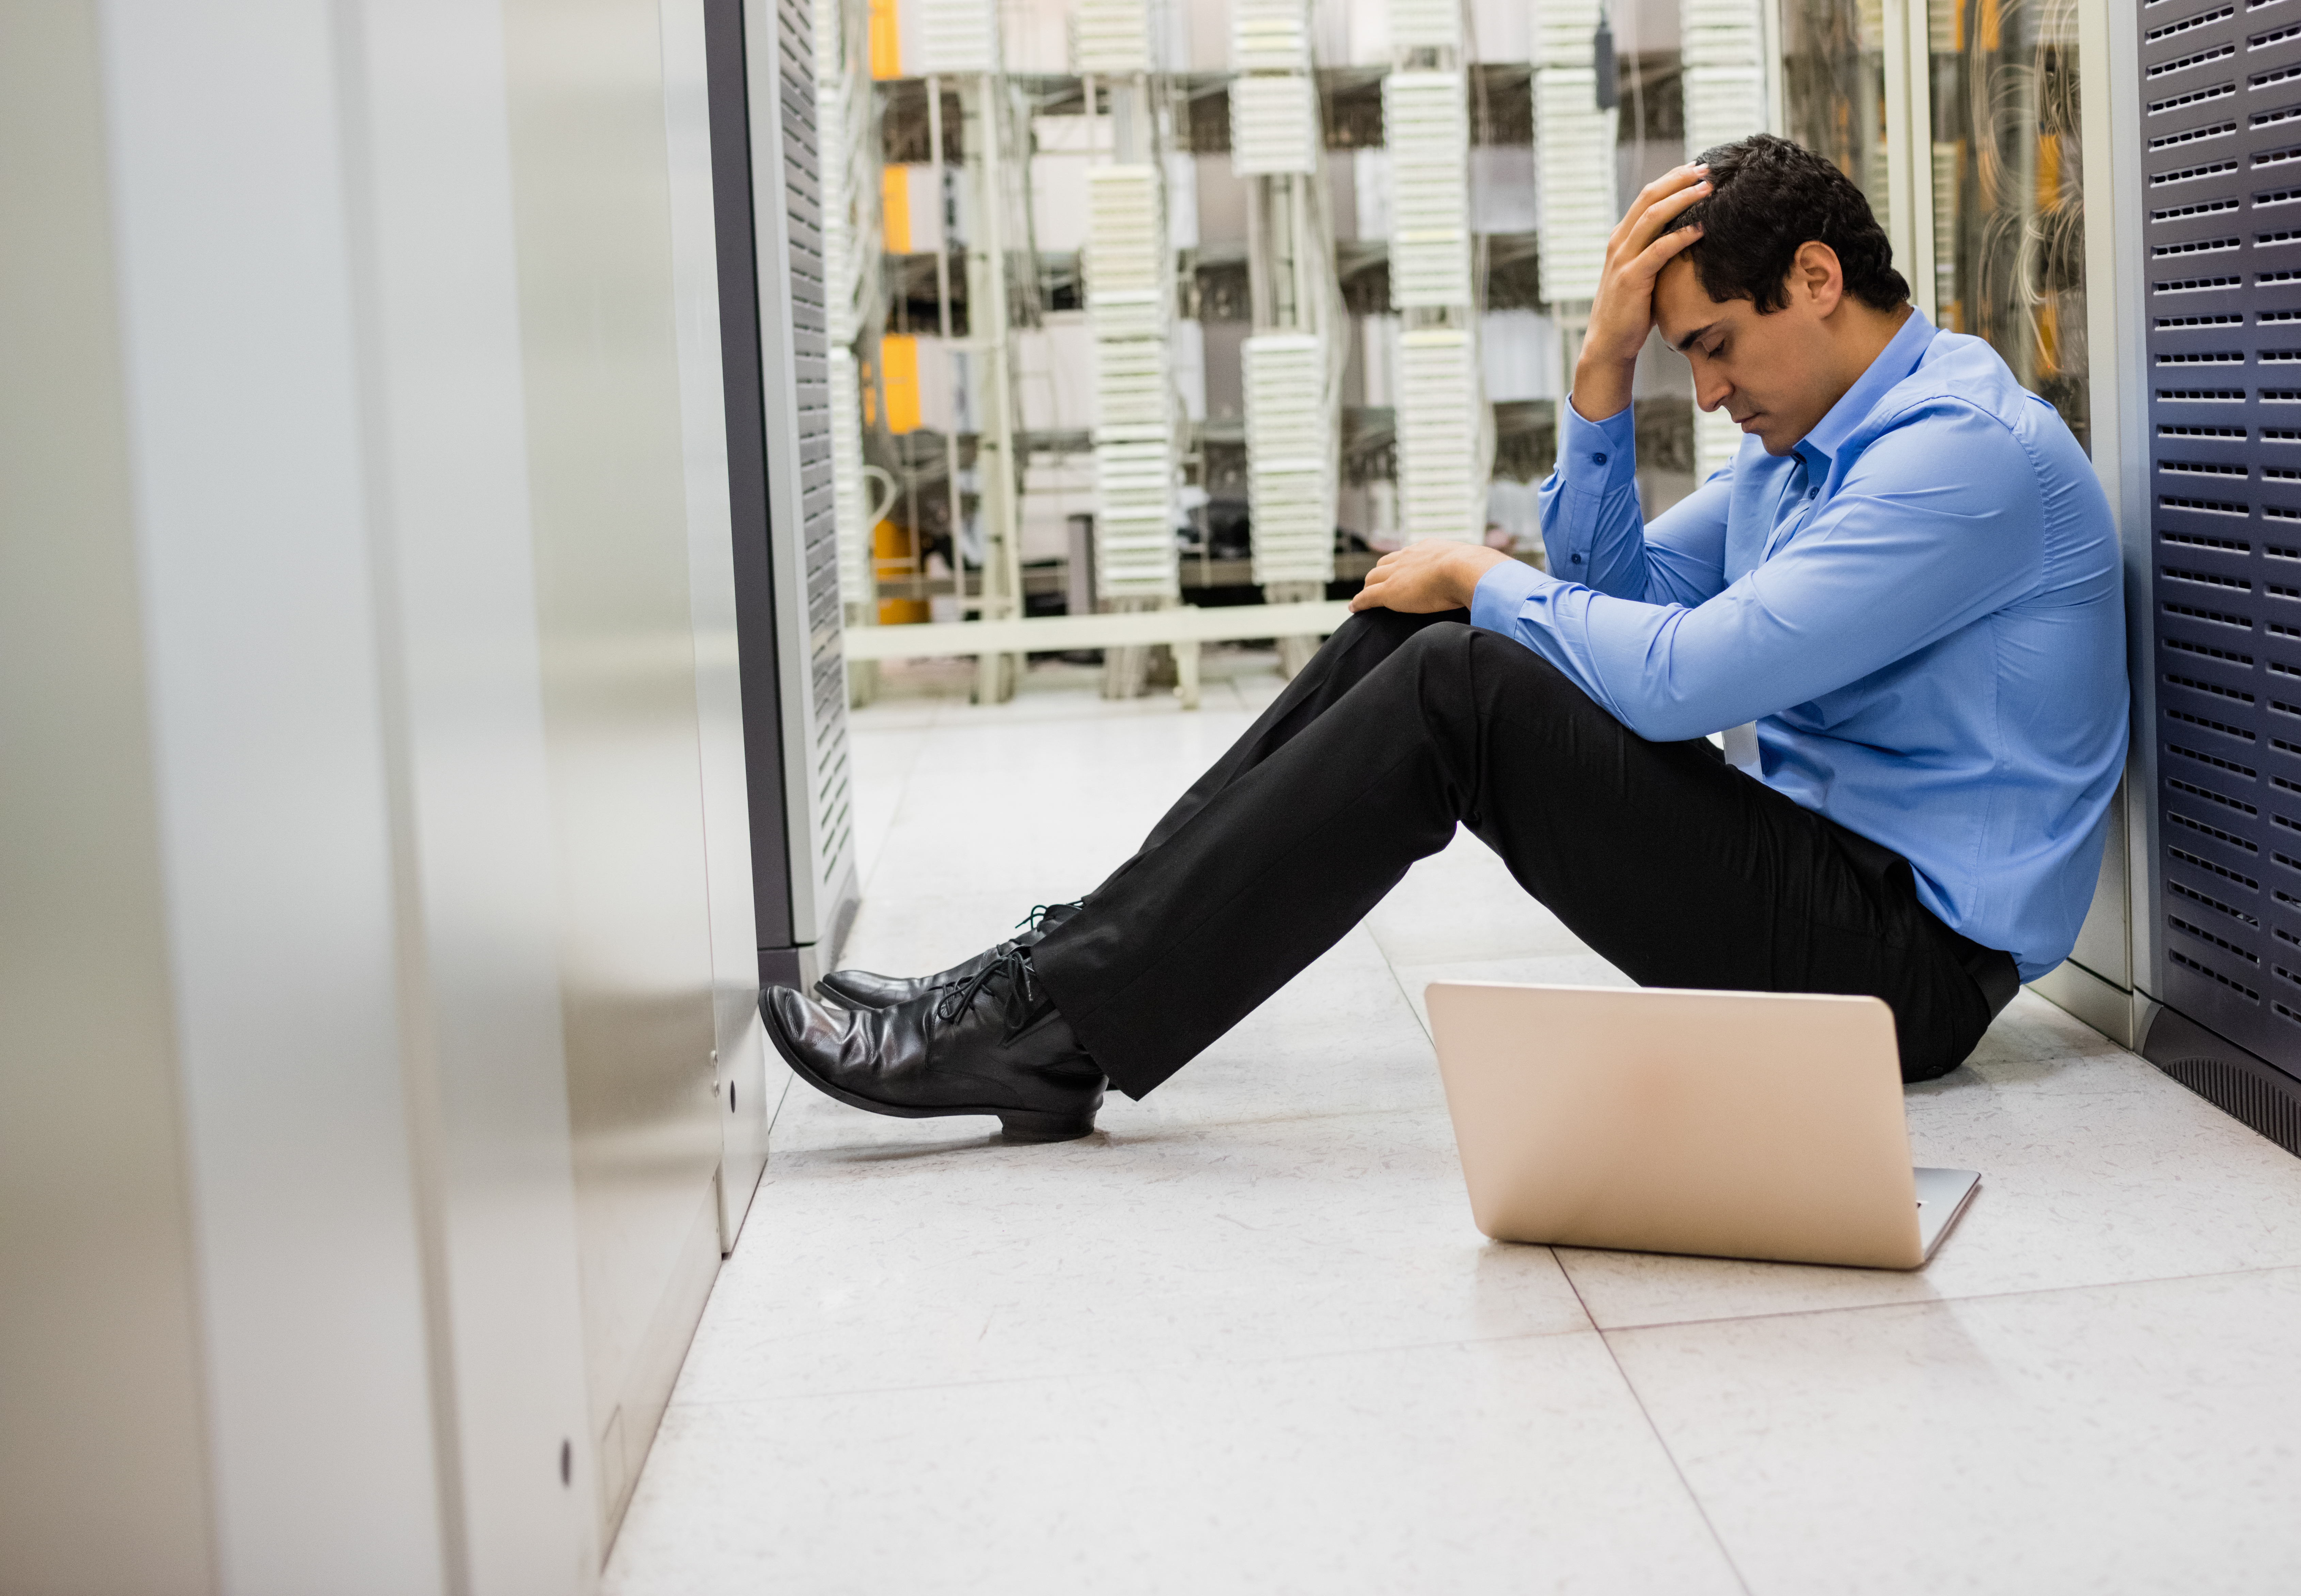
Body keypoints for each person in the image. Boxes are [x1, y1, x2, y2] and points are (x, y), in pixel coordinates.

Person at [759, 134, 2130, 1140]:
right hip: (1819, 884)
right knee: (1427, 630)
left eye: (1713, 347)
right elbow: (1628, 596)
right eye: (1684, 362)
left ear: (1818, 279)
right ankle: (1052, 990)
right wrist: (1598, 384)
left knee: (1462, 675)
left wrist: (1482, 573)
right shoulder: (1808, 444)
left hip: (1910, 968)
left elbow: (1683, 682)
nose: (1707, 394)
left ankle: (1050, 1019)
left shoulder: (1961, 459)